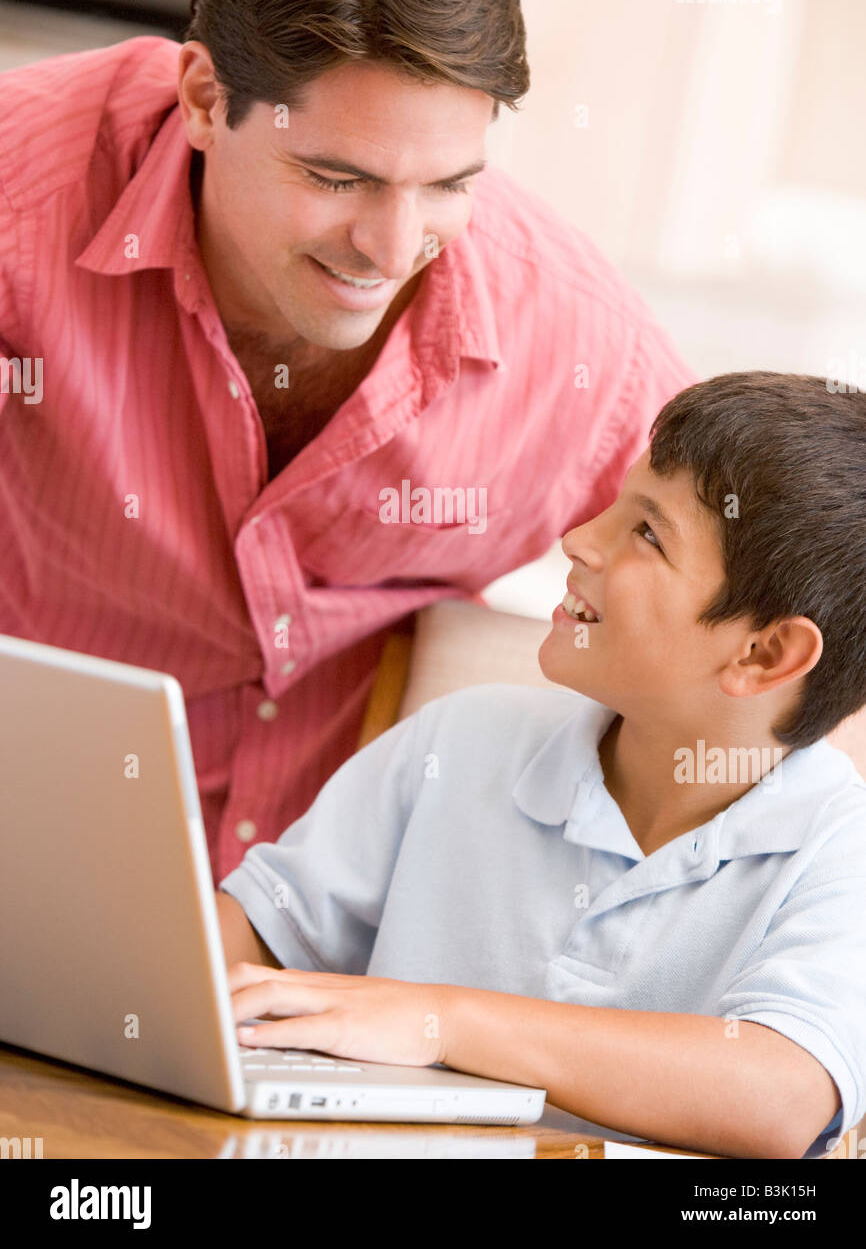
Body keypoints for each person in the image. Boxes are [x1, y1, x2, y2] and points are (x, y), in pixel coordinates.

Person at [0, 0, 693, 884]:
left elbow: (785, 631)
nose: (391, 244)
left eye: (448, 184)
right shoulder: (24, 199)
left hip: (331, 956)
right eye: (336, 178)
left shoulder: (575, 346)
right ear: (202, 98)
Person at [216, 372, 866, 1160]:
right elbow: (252, 937)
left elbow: (781, 1095)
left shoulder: (838, 850)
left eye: (648, 534)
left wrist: (439, 1022)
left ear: (766, 653)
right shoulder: (462, 741)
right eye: (616, 507)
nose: (581, 539)